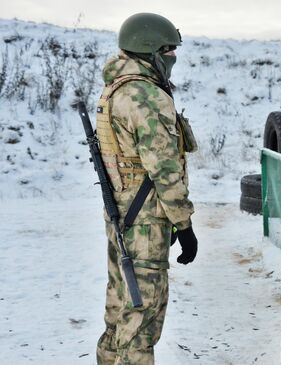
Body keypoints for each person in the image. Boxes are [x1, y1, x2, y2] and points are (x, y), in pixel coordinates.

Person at [94, 13, 198, 365]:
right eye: (168, 50)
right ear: (150, 49)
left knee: (119, 310)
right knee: (142, 318)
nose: (172, 57)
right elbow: (165, 169)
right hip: (144, 221)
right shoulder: (147, 97)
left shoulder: (116, 88)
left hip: (122, 214)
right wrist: (184, 225)